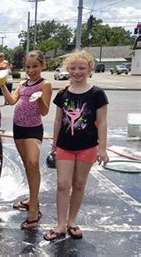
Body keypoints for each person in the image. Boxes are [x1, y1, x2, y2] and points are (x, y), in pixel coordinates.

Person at [43, 50, 109, 241]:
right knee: (63, 184)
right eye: (73, 68)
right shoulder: (62, 93)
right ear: (67, 69)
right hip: (65, 145)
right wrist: (54, 144)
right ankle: (60, 224)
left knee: (79, 184)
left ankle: (72, 221)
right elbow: (57, 120)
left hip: (88, 146)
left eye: (81, 68)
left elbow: (102, 122)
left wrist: (102, 148)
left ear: (90, 69)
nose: (77, 71)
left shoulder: (97, 94)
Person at [0, 50, 52, 229]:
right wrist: (2, 85)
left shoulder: (45, 84)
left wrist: (38, 100)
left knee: (33, 163)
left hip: (33, 129)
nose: (31, 70)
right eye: (28, 67)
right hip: (18, 128)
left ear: (42, 66)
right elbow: (12, 101)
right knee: (27, 166)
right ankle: (31, 198)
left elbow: (44, 111)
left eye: (35, 66)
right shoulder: (22, 84)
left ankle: (34, 209)